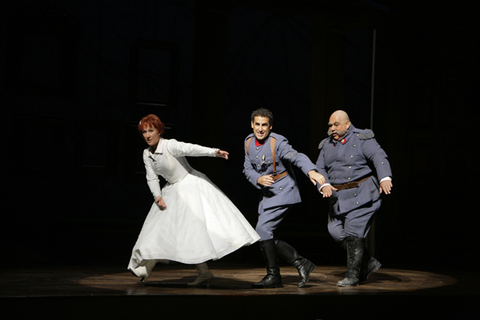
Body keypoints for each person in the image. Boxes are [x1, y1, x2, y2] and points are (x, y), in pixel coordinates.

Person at [128, 114, 260, 286]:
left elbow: (191, 149)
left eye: (151, 130)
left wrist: (214, 152)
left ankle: (200, 272)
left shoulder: (170, 145)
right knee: (158, 228)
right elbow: (151, 177)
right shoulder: (147, 154)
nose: (147, 135)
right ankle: (148, 264)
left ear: (159, 131)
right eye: (144, 132)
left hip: (190, 187)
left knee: (193, 232)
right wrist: (157, 195)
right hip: (171, 190)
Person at [243, 108, 325, 288]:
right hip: (266, 194)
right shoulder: (248, 142)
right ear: (252, 124)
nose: (260, 129)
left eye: (264, 125)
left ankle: (274, 275)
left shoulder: (277, 142)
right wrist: (258, 178)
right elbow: (247, 169)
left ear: (270, 126)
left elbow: (296, 157)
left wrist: (311, 171)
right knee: (263, 234)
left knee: (262, 231)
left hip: (283, 191)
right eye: (257, 124)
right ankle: (301, 264)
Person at [315, 110, 392, 287]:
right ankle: (368, 262)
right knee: (335, 232)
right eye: (330, 125)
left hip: (362, 194)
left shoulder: (361, 139)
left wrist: (385, 178)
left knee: (353, 232)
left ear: (347, 124)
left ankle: (352, 276)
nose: (332, 128)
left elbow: (379, 157)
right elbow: (320, 168)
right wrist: (323, 184)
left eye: (336, 124)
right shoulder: (326, 145)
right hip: (338, 198)